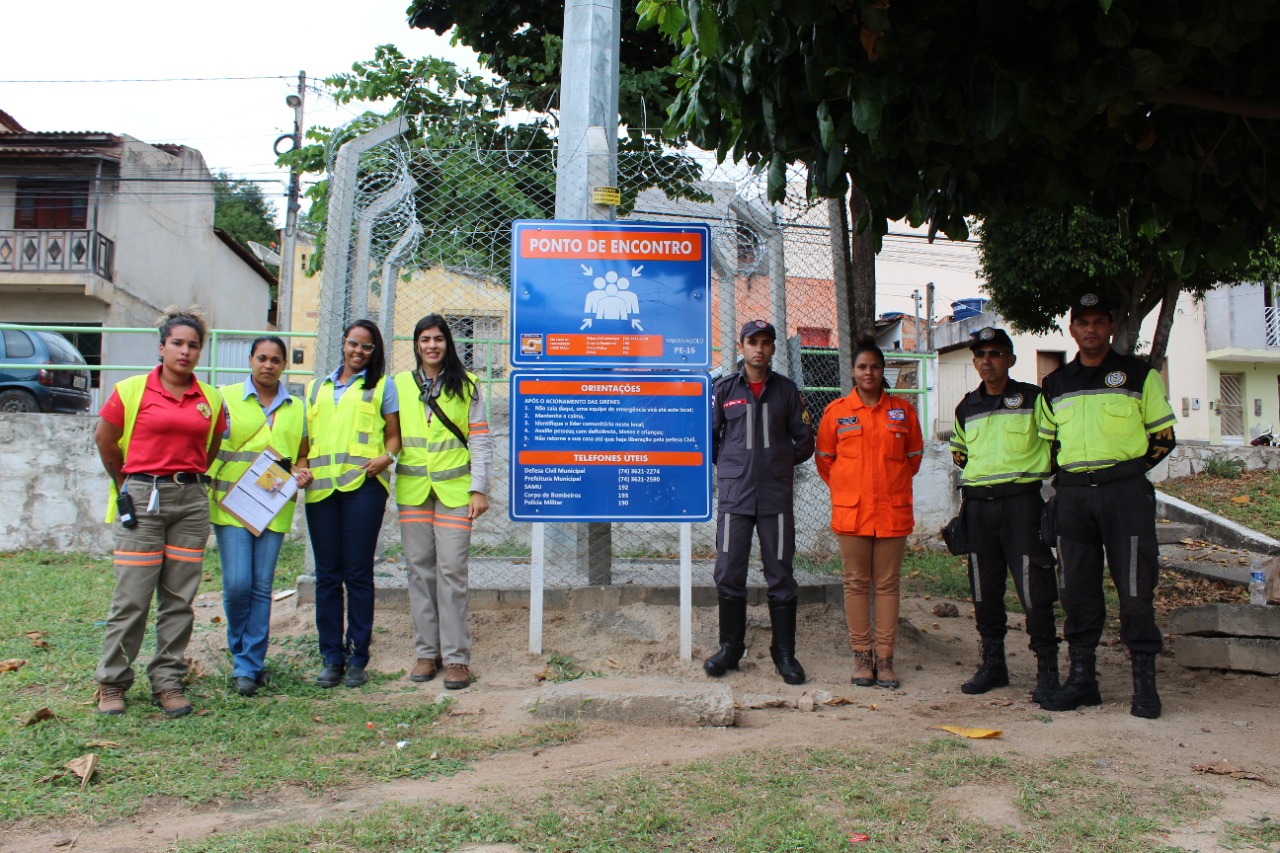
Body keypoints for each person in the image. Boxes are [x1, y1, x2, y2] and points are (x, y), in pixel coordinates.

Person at [1037, 293, 1177, 718]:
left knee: (1135, 589)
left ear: (1111, 327)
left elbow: (1163, 439)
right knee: (1077, 590)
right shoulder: (1055, 384)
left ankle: (1144, 687)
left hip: (1125, 498)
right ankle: (1082, 681)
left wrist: (1128, 475)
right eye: (1084, 323)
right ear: (1072, 329)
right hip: (1075, 497)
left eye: (1100, 321)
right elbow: (1049, 445)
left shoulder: (1139, 375)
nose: (1092, 330)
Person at [92, 306, 226, 717]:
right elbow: (106, 441)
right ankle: (112, 683)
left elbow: (211, 449)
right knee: (132, 597)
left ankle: (167, 681)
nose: (185, 352)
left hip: (189, 504)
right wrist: (124, 487)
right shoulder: (131, 391)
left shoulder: (211, 399)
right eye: (178, 344)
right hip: (141, 500)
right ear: (162, 346)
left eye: (193, 345)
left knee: (179, 599)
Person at [949, 327, 1060, 702]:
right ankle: (994, 665)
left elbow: (1055, 444)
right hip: (979, 508)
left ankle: (1048, 669)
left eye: (996, 353)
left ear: (1010, 359)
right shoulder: (967, 406)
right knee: (985, 590)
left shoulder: (1033, 399)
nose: (987, 361)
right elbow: (960, 453)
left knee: (1034, 590)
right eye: (980, 355)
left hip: (1022, 507)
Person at [704, 319, 815, 685]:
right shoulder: (724, 389)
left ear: (772, 349)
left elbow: (805, 440)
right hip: (735, 498)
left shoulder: (786, 391)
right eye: (753, 342)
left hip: (774, 498)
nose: (759, 349)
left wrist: (778, 464)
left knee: (780, 575)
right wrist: (734, 466)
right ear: (742, 345)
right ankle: (730, 649)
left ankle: (783, 653)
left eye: (767, 343)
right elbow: (711, 436)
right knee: (728, 572)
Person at [816, 335, 923, 689]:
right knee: (857, 583)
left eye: (875, 367)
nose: (869, 373)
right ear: (853, 371)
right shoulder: (836, 412)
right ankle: (862, 658)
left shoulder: (903, 412)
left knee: (888, 584)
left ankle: (886, 660)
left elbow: (913, 458)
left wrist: (887, 487)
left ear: (882, 370)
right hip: (852, 513)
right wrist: (851, 489)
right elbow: (825, 461)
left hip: (892, 512)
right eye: (862, 367)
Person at [208, 336, 313, 697]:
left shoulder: (297, 407)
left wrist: (301, 472)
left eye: (275, 360)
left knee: (261, 588)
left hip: (272, 507)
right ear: (250, 360)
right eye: (262, 358)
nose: (268, 365)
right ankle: (242, 654)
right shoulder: (226, 398)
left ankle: (248, 664)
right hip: (232, 506)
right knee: (238, 584)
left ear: (285, 365)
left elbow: (301, 456)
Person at [394, 315, 494, 690]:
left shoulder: (467, 385)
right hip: (414, 492)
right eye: (424, 339)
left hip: (455, 494)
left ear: (448, 343)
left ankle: (456, 659)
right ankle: (426, 653)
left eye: (438, 339)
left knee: (452, 572)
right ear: (416, 344)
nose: (431, 345)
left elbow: (481, 440)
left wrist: (479, 488)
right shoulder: (399, 385)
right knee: (420, 571)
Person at [304, 319, 401, 689]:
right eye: (353, 344)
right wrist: (300, 468)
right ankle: (331, 657)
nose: (358, 352)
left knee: (358, 573)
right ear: (342, 344)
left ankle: (358, 656)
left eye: (367, 347)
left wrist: (385, 459)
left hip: (364, 487)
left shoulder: (381, 387)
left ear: (375, 352)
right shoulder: (316, 389)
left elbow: (393, 436)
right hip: (322, 491)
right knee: (327, 575)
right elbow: (305, 442)